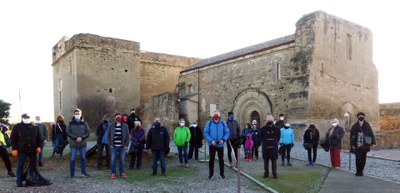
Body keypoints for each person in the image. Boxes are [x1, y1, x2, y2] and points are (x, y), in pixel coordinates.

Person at [11, 113, 51, 187]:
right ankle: (19, 181)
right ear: (22, 118)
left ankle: (32, 179)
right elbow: (13, 138)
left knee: (33, 166)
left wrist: (39, 146)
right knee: (20, 165)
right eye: (24, 117)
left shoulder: (34, 127)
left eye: (27, 117)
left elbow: (39, 138)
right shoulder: (17, 127)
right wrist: (14, 149)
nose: (26, 118)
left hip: (33, 150)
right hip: (22, 149)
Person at [204, 110, 229, 179]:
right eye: (215, 114)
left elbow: (226, 133)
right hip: (212, 145)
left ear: (219, 115)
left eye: (217, 114)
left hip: (220, 145)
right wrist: (211, 140)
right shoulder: (209, 123)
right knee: (211, 160)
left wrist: (223, 139)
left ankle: (222, 174)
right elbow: (206, 133)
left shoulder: (223, 123)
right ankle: (211, 174)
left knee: (221, 160)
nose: (216, 116)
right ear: (212, 115)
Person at [350, 112, 376, 176]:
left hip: (365, 145)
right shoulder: (354, 125)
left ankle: (361, 171)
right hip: (357, 145)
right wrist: (352, 144)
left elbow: (371, 134)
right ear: (358, 117)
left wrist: (373, 142)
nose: (361, 117)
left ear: (364, 117)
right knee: (358, 158)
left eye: (362, 116)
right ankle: (358, 171)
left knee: (363, 158)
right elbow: (351, 136)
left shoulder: (367, 125)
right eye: (360, 116)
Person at [67, 108, 90, 178]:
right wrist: (75, 138)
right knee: (72, 158)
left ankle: (83, 172)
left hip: (82, 144)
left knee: (83, 158)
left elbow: (87, 132)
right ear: (74, 114)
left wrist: (81, 137)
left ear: (80, 115)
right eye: (76, 114)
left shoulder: (84, 123)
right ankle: (72, 173)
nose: (77, 115)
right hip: (73, 144)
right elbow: (68, 132)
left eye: (78, 114)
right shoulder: (70, 123)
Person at [107, 113, 130, 179]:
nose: (118, 118)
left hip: (122, 146)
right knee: (113, 160)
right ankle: (113, 173)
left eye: (119, 117)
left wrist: (126, 145)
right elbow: (108, 135)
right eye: (117, 117)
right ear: (114, 118)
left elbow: (128, 136)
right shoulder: (111, 125)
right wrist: (110, 144)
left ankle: (122, 173)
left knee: (122, 160)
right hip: (113, 146)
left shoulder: (125, 125)